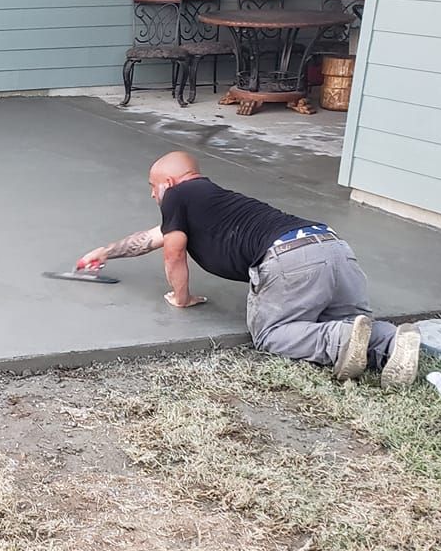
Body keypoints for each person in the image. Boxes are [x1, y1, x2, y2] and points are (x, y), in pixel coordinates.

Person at [77, 151, 421, 387]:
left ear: (167, 183)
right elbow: (153, 238)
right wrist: (106, 251)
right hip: (332, 247)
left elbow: (173, 250)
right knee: (348, 320)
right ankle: (392, 342)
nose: (153, 196)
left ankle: (341, 339)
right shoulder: (210, 202)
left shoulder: (177, 196)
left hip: (289, 258)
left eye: (152, 187)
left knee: (271, 335)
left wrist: (181, 296)